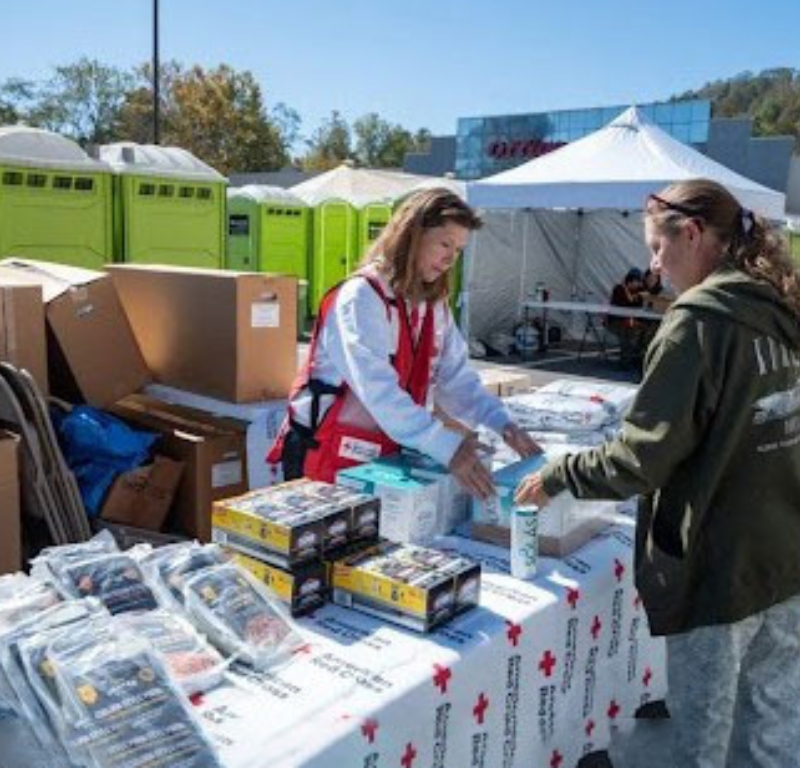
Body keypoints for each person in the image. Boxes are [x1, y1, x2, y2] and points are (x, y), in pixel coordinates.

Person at [515, 178, 800, 768]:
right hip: (785, 556)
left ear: (691, 234)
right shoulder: (781, 308)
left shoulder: (699, 322)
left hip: (720, 568)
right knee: (774, 726)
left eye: (656, 247)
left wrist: (560, 473)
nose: (653, 264)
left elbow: (641, 459)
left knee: (704, 738)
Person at [268, 188, 538, 500]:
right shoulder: (362, 298)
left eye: (460, 249)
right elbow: (379, 391)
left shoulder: (432, 306)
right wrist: (448, 447)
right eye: (445, 244)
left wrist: (504, 424)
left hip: (379, 458)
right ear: (412, 235)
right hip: (325, 457)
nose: (451, 259)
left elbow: (457, 379)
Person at [607, 267, 647, 365]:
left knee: (644, 330)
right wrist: (634, 298)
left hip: (630, 321)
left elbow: (638, 308)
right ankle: (625, 361)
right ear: (631, 280)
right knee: (626, 333)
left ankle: (635, 358)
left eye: (639, 282)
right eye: (637, 281)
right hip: (615, 321)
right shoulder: (619, 288)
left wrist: (637, 297)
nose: (638, 284)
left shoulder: (639, 291)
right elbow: (618, 308)